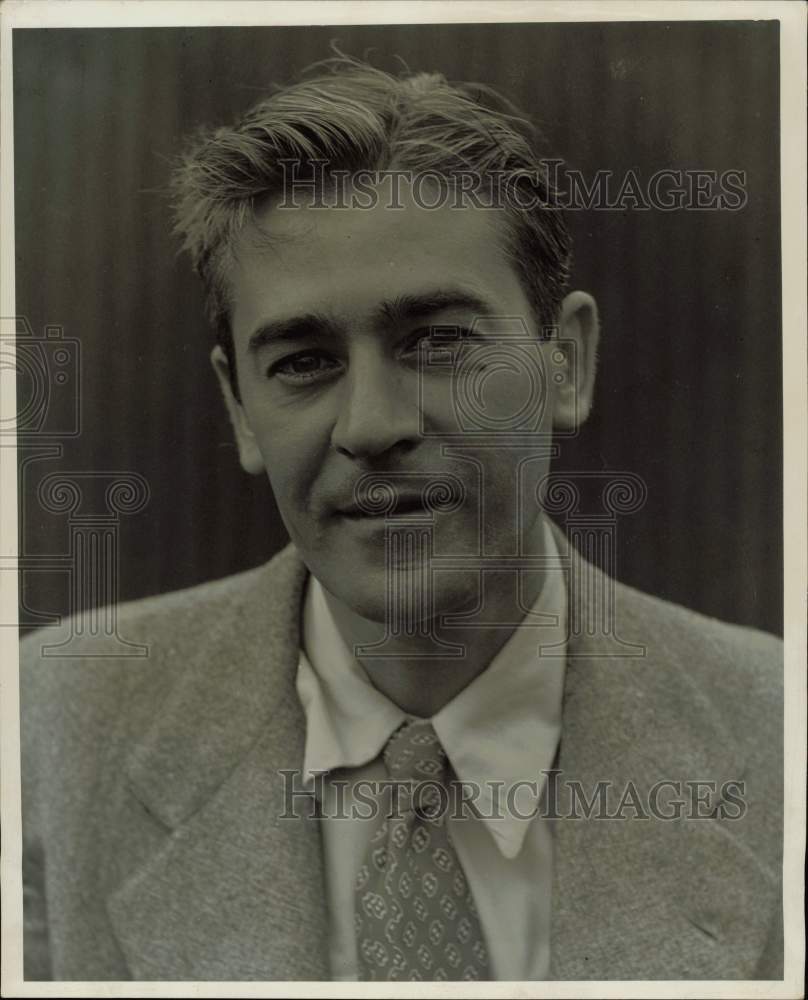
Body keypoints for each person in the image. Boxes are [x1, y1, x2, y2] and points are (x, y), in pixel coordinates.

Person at [20, 57, 783, 982]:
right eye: (303, 361)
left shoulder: (783, 742)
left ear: (566, 365)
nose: (374, 425)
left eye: (440, 341)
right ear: (237, 411)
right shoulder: (45, 741)